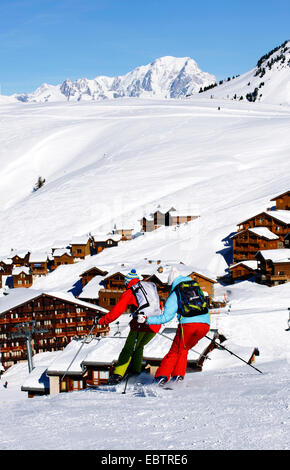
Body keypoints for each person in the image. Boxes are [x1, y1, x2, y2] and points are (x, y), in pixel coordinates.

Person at [141, 267, 210, 385]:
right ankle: (177, 377)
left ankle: (160, 378)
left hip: (188, 326)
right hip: (205, 326)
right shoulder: (195, 288)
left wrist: (147, 320)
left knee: (174, 351)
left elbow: (165, 318)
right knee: (183, 350)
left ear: (172, 282)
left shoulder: (176, 293)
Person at [97, 269, 162, 385]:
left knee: (128, 349)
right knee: (139, 347)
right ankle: (135, 373)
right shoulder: (148, 288)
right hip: (155, 324)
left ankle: (117, 375)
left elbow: (117, 311)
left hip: (141, 324)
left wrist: (102, 321)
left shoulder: (131, 291)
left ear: (128, 283)